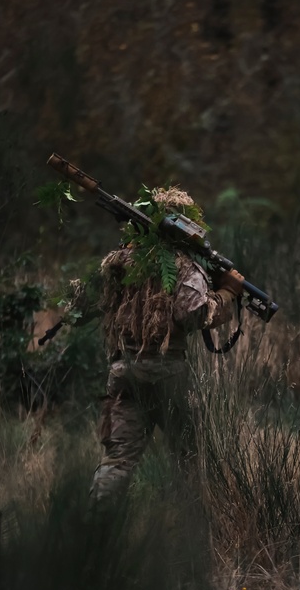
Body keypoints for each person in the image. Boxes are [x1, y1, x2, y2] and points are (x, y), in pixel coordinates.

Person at [63, 186, 244, 502]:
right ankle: (191, 537)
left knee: (117, 462)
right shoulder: (184, 264)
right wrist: (228, 292)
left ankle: (94, 533)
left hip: (123, 371)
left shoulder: (117, 261)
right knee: (189, 459)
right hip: (167, 373)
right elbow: (193, 313)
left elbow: (76, 312)